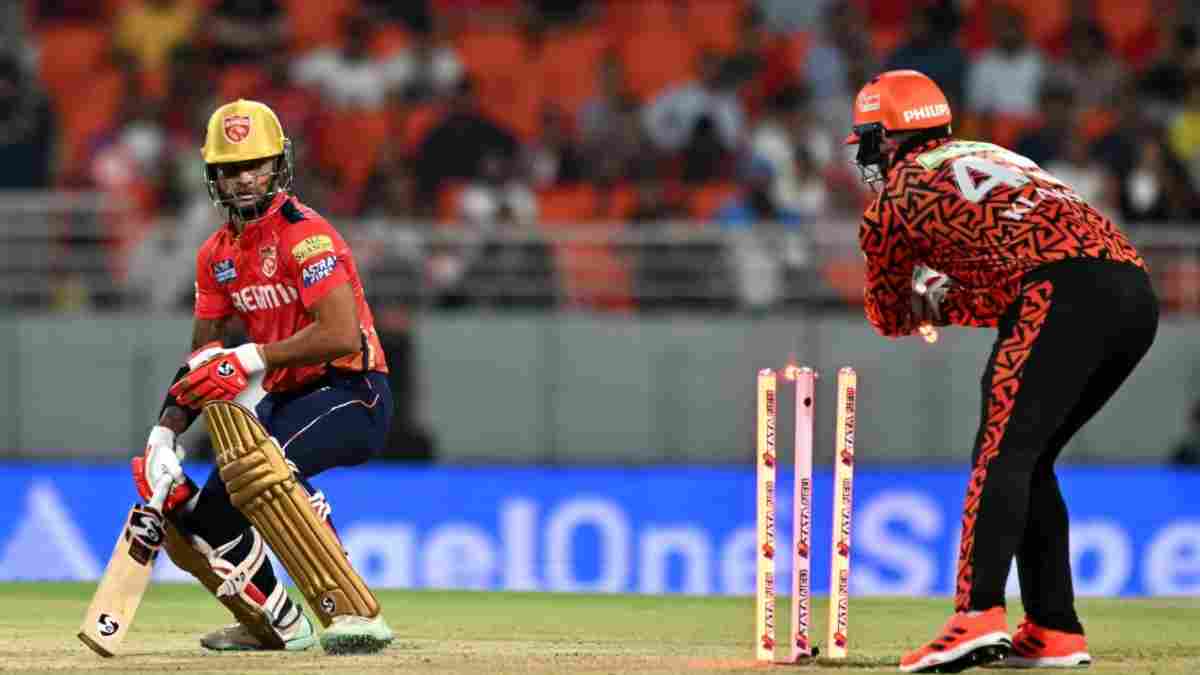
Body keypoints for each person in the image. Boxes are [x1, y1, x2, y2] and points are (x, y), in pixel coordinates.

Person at [845, 70, 1158, 673]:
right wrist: (953, 298)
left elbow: (889, 315)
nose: (866, 158)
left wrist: (932, 300)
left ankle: (976, 616)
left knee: (1001, 455)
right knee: (1028, 457)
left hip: (1058, 292)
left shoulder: (893, 201)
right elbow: (1019, 280)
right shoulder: (994, 154)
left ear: (884, 139)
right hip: (1133, 293)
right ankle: (1053, 630)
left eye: (867, 143)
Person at [130, 99, 394, 654]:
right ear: (213, 176)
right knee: (207, 517)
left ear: (279, 164)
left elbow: (341, 335)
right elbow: (204, 359)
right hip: (285, 400)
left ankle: (353, 613)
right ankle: (279, 623)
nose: (244, 178)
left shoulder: (308, 235)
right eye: (231, 168)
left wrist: (248, 358)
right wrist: (164, 434)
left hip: (354, 392)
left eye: (255, 164)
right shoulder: (215, 256)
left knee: (265, 468)